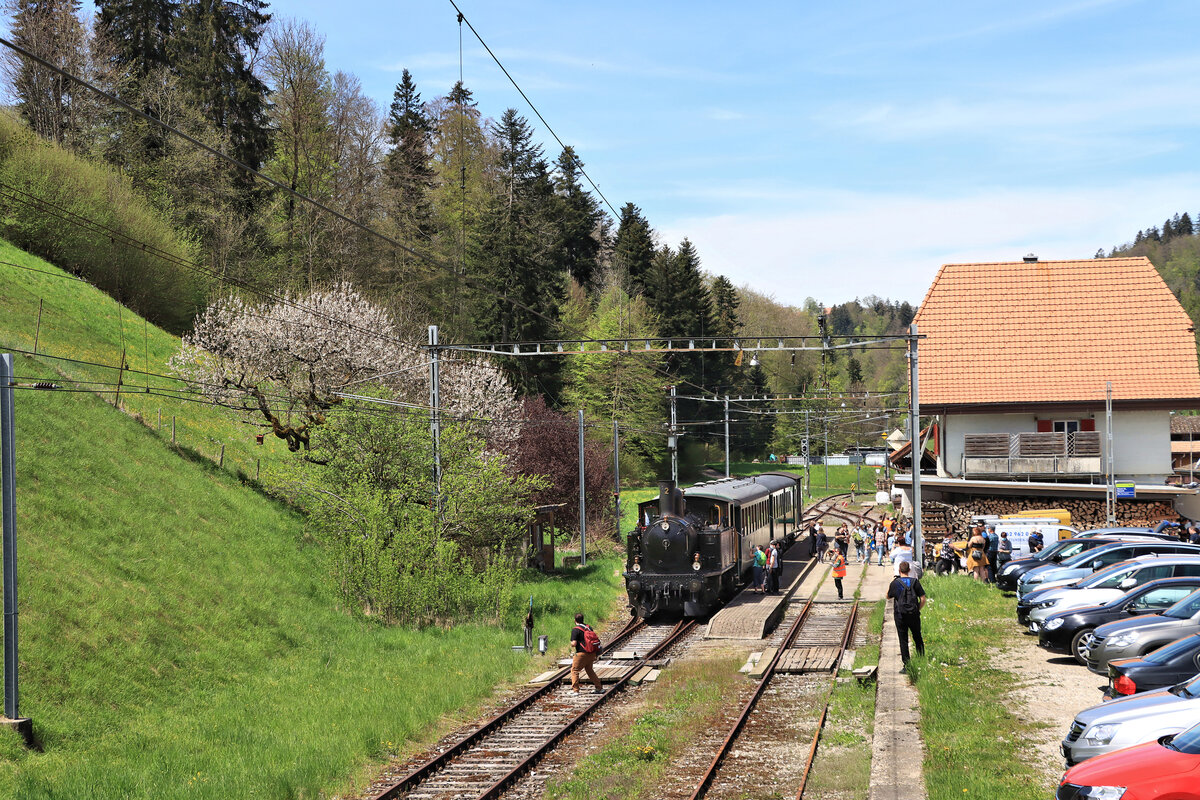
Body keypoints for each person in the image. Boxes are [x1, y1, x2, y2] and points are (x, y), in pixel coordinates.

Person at [886, 561, 926, 671]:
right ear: (909, 570)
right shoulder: (915, 582)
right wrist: (917, 609)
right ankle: (921, 660)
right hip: (914, 614)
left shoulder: (895, 583)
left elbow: (888, 596)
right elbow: (923, 599)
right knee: (917, 636)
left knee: (903, 639)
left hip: (900, 615)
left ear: (899, 570)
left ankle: (906, 665)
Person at [570, 613, 604, 694]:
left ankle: (575, 691)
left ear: (575, 620)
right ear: (583, 619)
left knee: (574, 670)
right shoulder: (588, 628)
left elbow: (574, 644)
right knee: (589, 670)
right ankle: (599, 688)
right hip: (592, 653)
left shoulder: (575, 630)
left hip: (581, 654)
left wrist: (571, 643)